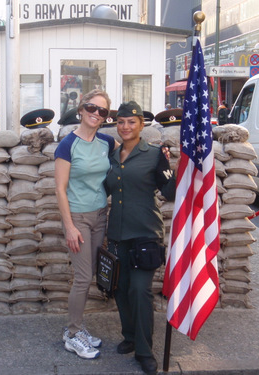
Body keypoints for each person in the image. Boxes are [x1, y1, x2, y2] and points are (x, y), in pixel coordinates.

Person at [105, 101, 176, 375]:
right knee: (120, 289)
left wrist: (170, 166)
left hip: (145, 233)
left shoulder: (155, 154)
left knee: (140, 290)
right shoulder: (111, 157)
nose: (125, 127)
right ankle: (130, 336)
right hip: (118, 233)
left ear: (141, 125)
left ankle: (145, 351)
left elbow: (169, 192)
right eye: (121, 122)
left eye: (131, 122)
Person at [54, 89, 119, 360]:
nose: (96, 114)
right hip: (78, 218)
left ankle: (78, 329)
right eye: (92, 108)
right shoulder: (68, 144)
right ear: (81, 109)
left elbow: (130, 152)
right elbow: (60, 189)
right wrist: (69, 226)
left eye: (102, 111)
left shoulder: (106, 142)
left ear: (105, 117)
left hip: (100, 216)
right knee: (82, 278)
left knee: (90, 274)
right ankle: (72, 334)